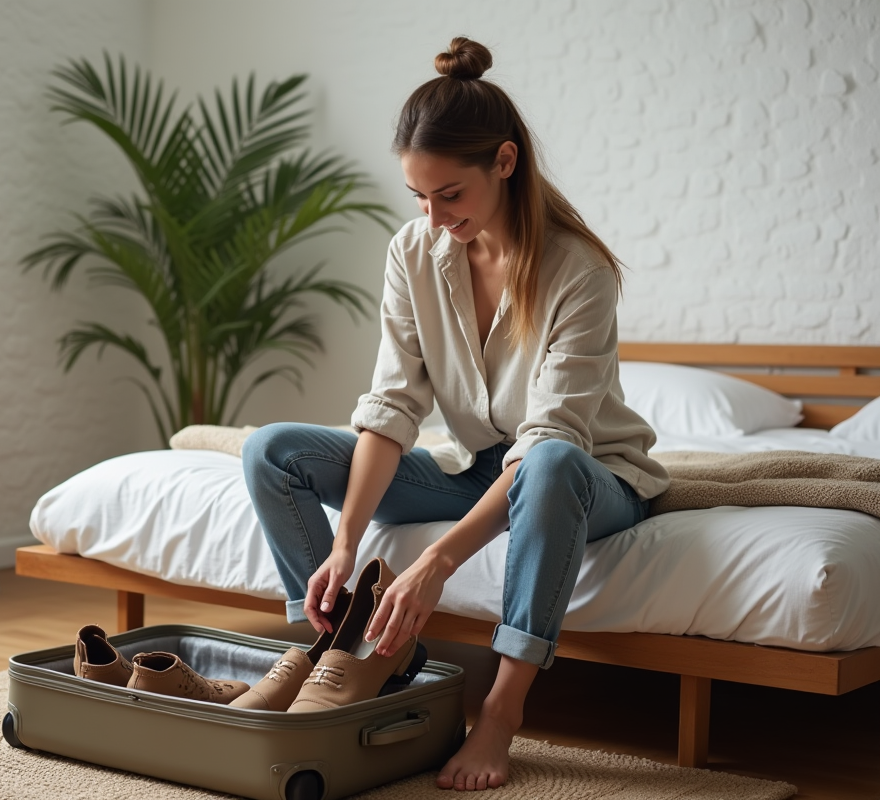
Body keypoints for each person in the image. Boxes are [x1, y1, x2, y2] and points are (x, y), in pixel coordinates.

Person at [241, 37, 669, 791]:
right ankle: (335, 655)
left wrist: (436, 563)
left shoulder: (580, 271)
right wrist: (346, 544)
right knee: (274, 450)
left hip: (586, 476)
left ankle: (501, 712)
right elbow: (393, 405)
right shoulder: (413, 252)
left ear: (504, 162)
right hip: (479, 469)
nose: (435, 217)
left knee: (547, 459)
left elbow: (549, 437)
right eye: (419, 197)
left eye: (450, 195)